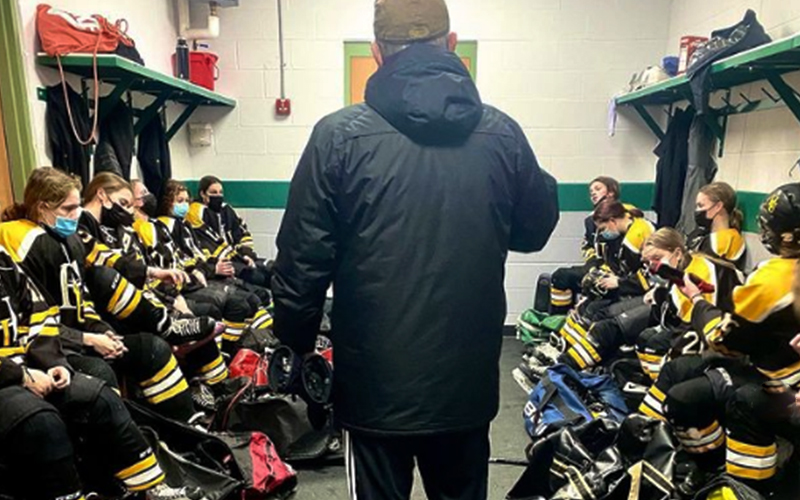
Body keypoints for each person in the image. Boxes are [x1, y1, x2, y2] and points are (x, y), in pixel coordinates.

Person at [270, 1, 559, 498]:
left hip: (374, 390)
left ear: (377, 53)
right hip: (465, 386)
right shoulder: (502, 133)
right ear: (451, 45)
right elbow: (533, 231)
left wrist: (295, 345)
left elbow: (302, 260)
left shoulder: (337, 137)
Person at [0, 167, 206, 422]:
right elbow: (37, 326)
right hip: (50, 351)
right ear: (43, 208)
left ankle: (186, 431)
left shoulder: (70, 241)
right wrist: (88, 339)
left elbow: (82, 300)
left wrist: (102, 330)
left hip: (82, 338)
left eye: (77, 207)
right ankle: (123, 449)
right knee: (99, 372)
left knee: (152, 348)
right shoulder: (24, 246)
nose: (76, 215)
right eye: (68, 209)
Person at [0, 245, 198, 500]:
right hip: (7, 378)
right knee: (39, 420)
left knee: (98, 396)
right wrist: (21, 376)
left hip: (28, 366)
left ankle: (149, 489)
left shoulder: (4, 257)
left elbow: (38, 315)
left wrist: (51, 362)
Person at [641, 184, 800, 495]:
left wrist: (698, 300)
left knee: (688, 397)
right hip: (780, 373)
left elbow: (722, 339)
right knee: (681, 371)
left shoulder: (774, 277)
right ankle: (649, 440)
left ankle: (731, 477)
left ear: (788, 235)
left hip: (778, 383)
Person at [139, 179, 274, 352]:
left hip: (205, 275)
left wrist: (242, 256)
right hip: (183, 287)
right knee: (237, 303)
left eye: (186, 201)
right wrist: (211, 270)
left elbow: (199, 254)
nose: (185, 206)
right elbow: (177, 265)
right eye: (179, 201)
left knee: (255, 295)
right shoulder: (159, 228)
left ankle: (256, 342)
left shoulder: (182, 225)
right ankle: (230, 351)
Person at [549, 176, 621, 315]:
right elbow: (587, 246)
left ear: (611, 192)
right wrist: (592, 265)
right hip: (596, 267)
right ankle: (559, 319)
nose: (593, 193)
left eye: (598, 189)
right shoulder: (590, 221)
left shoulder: (623, 217)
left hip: (616, 272)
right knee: (560, 276)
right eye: (591, 191)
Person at [186, 176, 272, 288]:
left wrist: (246, 253)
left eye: (220, 192)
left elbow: (242, 233)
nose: (218, 196)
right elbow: (209, 243)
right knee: (258, 278)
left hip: (238, 257)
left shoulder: (227, 209)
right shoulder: (195, 213)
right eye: (213, 192)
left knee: (273, 269)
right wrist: (238, 259)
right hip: (220, 261)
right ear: (203, 194)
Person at [687, 182, 746, 269]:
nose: (697, 210)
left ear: (718, 206)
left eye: (701, 205)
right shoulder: (699, 234)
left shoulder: (727, 240)